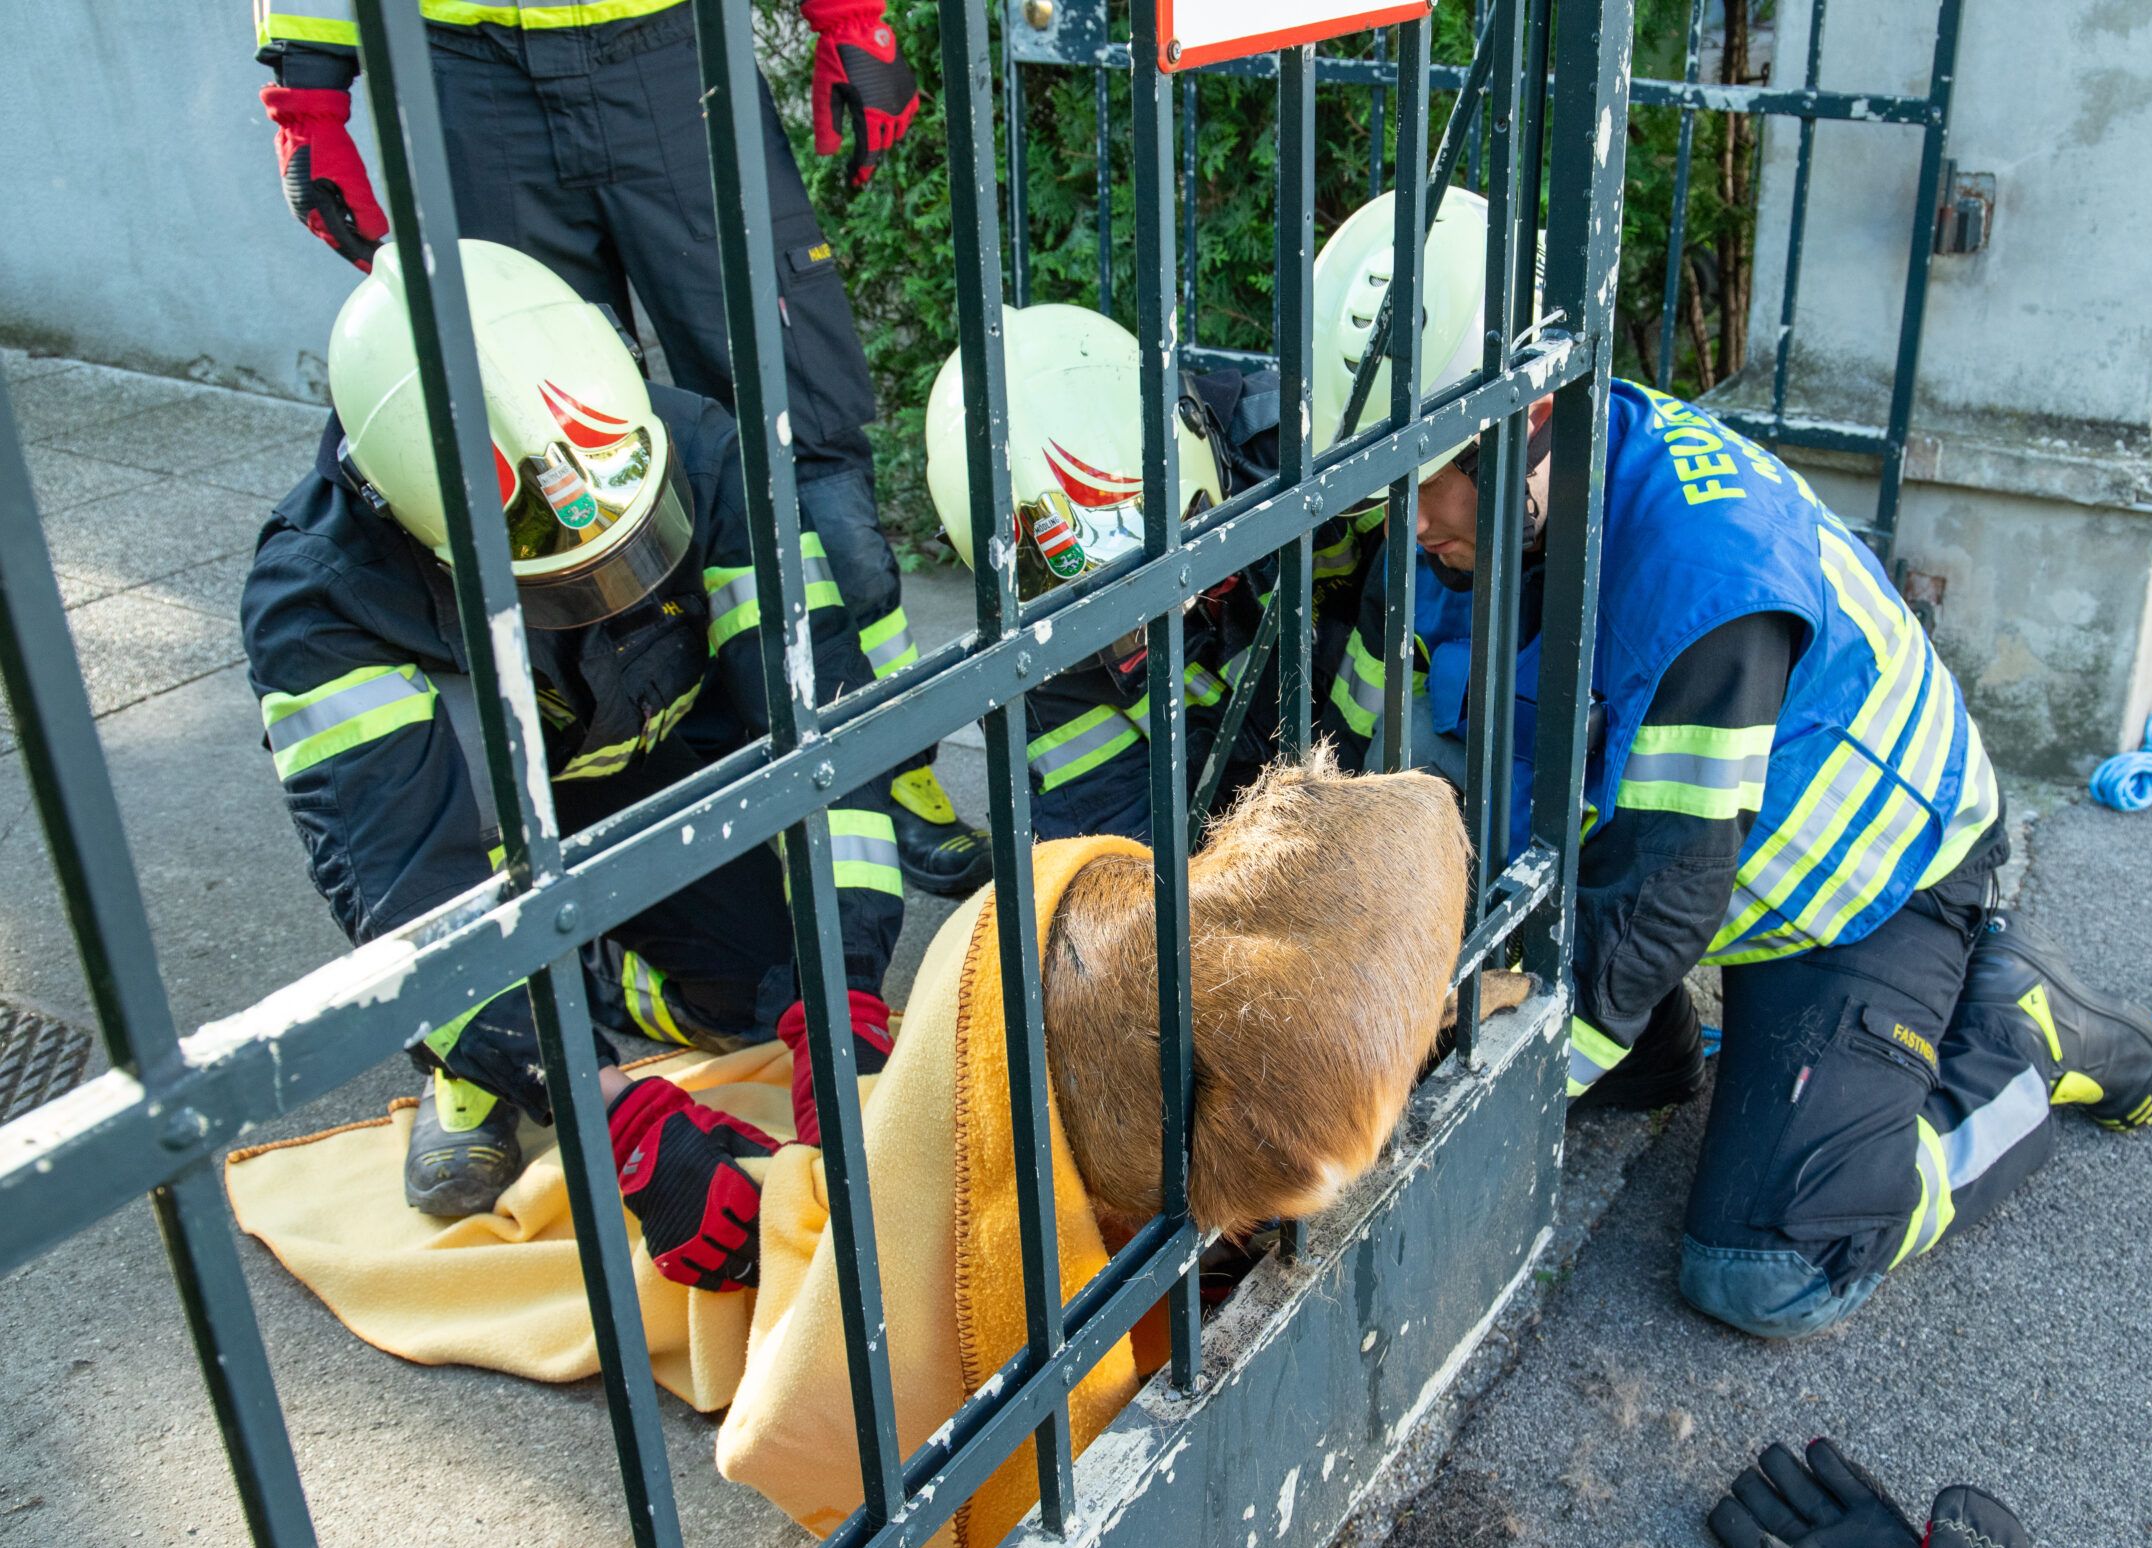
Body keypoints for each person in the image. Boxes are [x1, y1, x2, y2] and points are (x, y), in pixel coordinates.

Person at [1310, 189, 2152, 1340]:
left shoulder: (1704, 575)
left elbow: (1669, 893)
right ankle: (1655, 1048)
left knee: (1764, 1268)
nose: (1409, 518)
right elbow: (1355, 784)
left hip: (1872, 890)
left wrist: (1451, 1114)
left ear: (1533, 425)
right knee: (1570, 1055)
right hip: (1686, 878)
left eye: (1432, 472)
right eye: (1387, 474)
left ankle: (2026, 1034)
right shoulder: (1455, 523)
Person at [243, 241, 905, 1283]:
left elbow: (821, 725)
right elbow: (411, 897)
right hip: (490, 841)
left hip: (646, 778)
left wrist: (843, 980)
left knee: (758, 982)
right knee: (468, 981)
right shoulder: (324, 604)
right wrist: (609, 1112)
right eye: (559, 577)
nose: (607, 591)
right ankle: (483, 1064)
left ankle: (594, 990)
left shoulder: (696, 450)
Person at [250, 0, 992, 896]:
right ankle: (652, 770)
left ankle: (879, 751)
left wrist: (851, 17)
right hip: (463, 74)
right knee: (544, 465)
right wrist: (307, 91)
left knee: (801, 432)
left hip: (674, 49)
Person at [919, 304, 1376, 840]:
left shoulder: (1306, 454)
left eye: (1156, 573)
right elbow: (1116, 859)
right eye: (1099, 609)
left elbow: (1428, 618)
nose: (1146, 625)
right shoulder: (1037, 672)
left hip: (1383, 778)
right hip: (1229, 853)